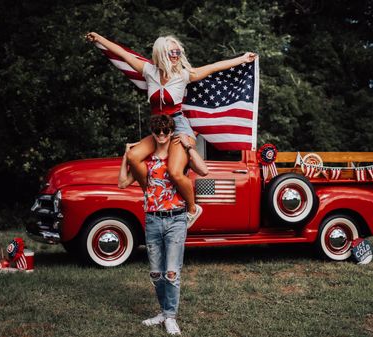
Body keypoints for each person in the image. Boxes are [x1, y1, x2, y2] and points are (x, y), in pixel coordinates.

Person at [86, 31, 257, 228]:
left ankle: (193, 209)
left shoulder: (184, 75)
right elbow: (124, 54)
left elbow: (213, 67)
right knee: (133, 157)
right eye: (172, 53)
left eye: (177, 52)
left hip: (178, 127)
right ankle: (151, 193)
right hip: (158, 128)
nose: (176, 55)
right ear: (161, 55)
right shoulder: (148, 70)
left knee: (175, 173)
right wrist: (99, 38)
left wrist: (242, 59)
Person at [118, 114, 207, 335]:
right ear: (153, 133)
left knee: (171, 272)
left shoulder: (179, 157)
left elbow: (203, 170)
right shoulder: (145, 161)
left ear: (171, 133)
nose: (161, 136)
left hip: (176, 218)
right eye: (157, 132)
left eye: (165, 132)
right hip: (153, 219)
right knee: (156, 273)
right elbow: (122, 183)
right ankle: (163, 312)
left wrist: (188, 146)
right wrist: (126, 156)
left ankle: (170, 317)